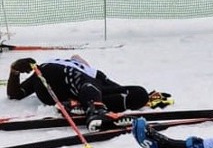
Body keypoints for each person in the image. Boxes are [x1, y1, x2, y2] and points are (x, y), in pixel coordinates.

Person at [7, 55, 171, 130]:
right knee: (83, 81)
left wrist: (146, 98)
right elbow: (16, 94)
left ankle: (79, 105)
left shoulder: (94, 73)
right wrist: (15, 71)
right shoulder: (56, 64)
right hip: (51, 79)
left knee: (139, 93)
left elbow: (117, 88)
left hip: (83, 92)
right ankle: (95, 110)